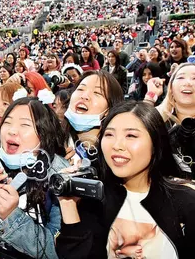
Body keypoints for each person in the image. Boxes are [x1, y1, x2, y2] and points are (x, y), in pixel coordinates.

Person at [56, 101, 194, 259]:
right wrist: (68, 204)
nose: (117, 145)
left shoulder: (186, 200)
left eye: (131, 135)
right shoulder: (95, 198)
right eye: (109, 134)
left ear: (155, 143)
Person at [0, 97, 70, 258]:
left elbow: (56, 251)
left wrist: (11, 215)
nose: (12, 130)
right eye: (7, 122)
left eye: (24, 125)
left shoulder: (60, 176)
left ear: (44, 134)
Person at [62, 70, 124, 164]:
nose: (84, 96)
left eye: (97, 93)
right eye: (80, 89)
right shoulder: (53, 140)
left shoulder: (116, 151)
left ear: (109, 109)